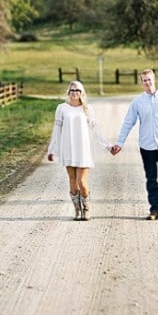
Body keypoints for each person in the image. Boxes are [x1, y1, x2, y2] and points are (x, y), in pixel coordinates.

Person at [111, 69, 158, 221]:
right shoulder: (138, 102)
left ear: (154, 80)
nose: (147, 83)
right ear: (142, 82)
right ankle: (154, 211)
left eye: (149, 80)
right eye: (144, 80)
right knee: (151, 179)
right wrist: (119, 143)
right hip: (146, 147)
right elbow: (128, 123)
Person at [47, 80, 112, 221]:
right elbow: (56, 130)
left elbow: (96, 130)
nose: (74, 93)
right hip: (68, 148)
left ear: (82, 93)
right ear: (68, 92)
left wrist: (107, 145)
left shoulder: (87, 109)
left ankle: (87, 208)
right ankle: (77, 209)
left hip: (83, 150)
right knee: (72, 180)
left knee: (81, 181)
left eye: (77, 91)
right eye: (72, 90)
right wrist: (52, 149)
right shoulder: (62, 108)